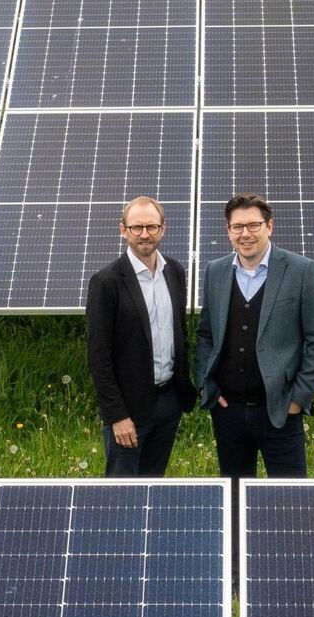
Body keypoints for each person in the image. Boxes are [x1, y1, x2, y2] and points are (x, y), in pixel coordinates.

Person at [195, 191, 314, 484]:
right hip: (228, 413)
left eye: (253, 225)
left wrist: (299, 398)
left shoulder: (301, 270)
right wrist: (207, 386)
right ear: (228, 231)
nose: (245, 234)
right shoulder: (215, 271)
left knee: (290, 499)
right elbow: (206, 334)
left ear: (269, 226)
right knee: (234, 498)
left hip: (280, 411)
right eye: (237, 227)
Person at [87, 196, 196, 476]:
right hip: (129, 409)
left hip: (169, 401)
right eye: (137, 227)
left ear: (163, 228)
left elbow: (180, 334)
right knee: (122, 491)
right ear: (123, 230)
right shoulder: (106, 282)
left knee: (153, 486)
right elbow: (99, 357)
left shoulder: (175, 272)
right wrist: (117, 416)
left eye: (151, 226)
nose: (144, 234)